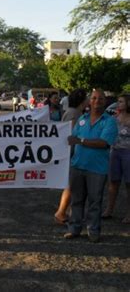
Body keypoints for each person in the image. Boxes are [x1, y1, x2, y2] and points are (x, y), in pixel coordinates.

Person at [64, 89, 118, 242]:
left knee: (95, 201)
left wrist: (80, 141)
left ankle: (93, 231)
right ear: (89, 101)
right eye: (94, 98)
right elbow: (71, 139)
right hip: (77, 165)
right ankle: (74, 229)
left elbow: (103, 143)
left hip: (97, 169)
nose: (97, 101)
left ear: (105, 101)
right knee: (76, 200)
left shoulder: (109, 121)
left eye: (100, 98)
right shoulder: (82, 119)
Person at [54, 88, 88, 224]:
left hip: (72, 153)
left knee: (72, 185)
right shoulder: (74, 114)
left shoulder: (74, 112)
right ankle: (61, 212)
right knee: (71, 185)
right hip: (72, 154)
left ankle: (66, 211)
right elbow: (72, 135)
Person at [102, 94, 130, 223]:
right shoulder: (114, 117)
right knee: (113, 182)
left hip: (128, 152)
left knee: (128, 184)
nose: (118, 104)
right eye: (118, 101)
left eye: (121, 101)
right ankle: (109, 209)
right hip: (115, 151)